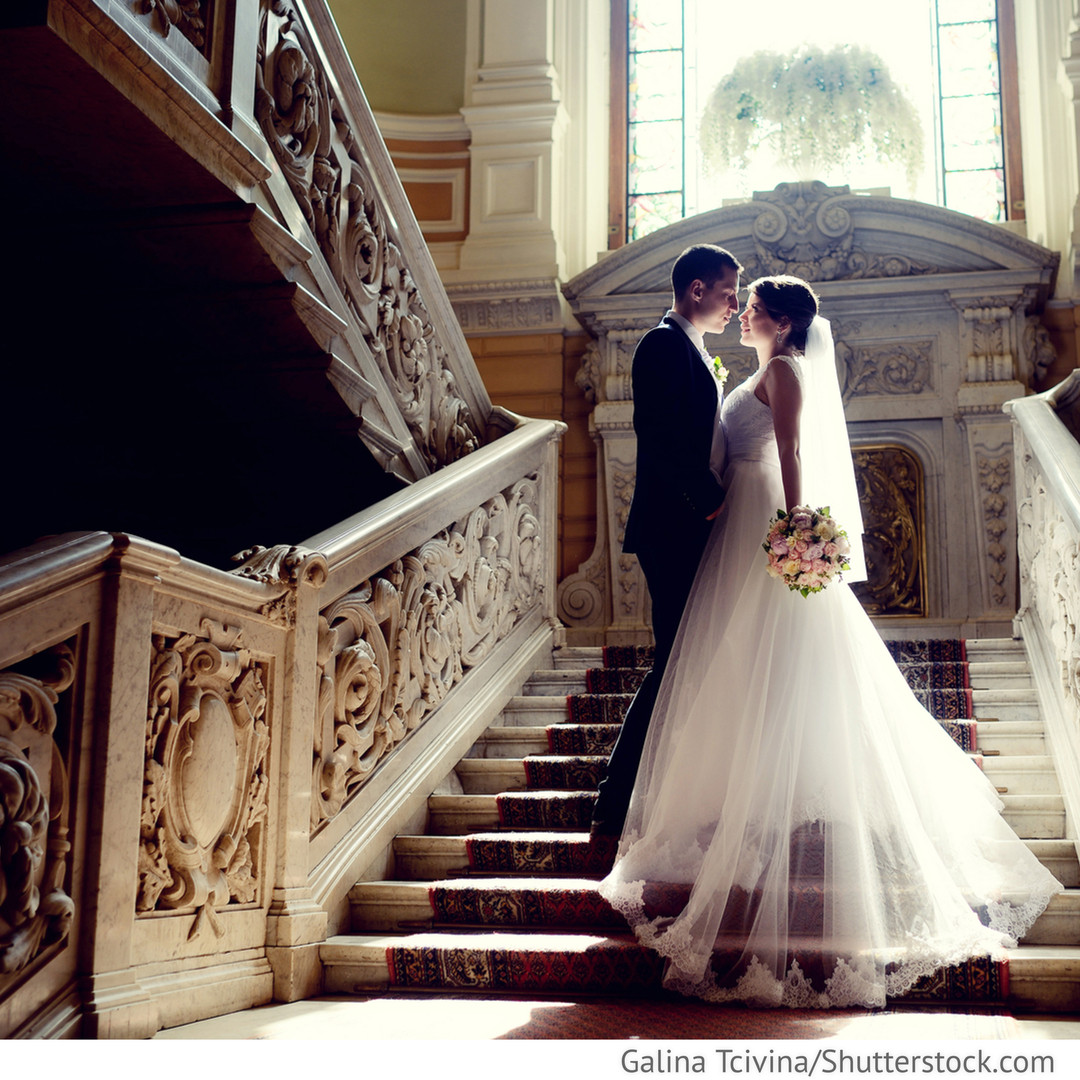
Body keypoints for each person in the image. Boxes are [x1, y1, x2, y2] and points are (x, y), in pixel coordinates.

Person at [598, 275, 1063, 1008]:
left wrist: (796, 528)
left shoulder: (783, 371)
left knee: (773, 646)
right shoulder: (761, 367)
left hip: (764, 512)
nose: (741, 312)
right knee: (739, 655)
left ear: (780, 324)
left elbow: (791, 452)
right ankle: (743, 782)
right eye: (738, 302)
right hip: (740, 519)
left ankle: (774, 788)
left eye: (751, 306)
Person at [590, 244, 742, 839]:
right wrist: (708, 499)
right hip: (675, 525)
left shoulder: (695, 347)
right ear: (697, 289)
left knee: (683, 662)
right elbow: (657, 437)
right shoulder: (661, 344)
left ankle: (650, 791)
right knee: (674, 662)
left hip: (687, 524)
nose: (734, 303)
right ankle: (614, 795)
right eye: (728, 291)